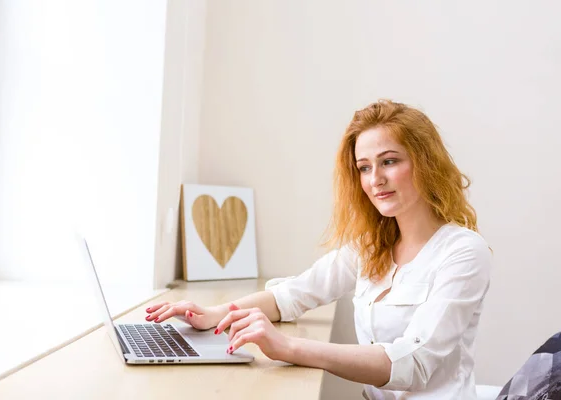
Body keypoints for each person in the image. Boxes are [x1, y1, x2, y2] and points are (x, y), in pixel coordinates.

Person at [145, 99, 493, 399]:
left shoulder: (463, 252)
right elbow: (294, 294)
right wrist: (214, 314)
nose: (375, 180)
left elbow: (413, 363)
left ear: (425, 162)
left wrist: (289, 348)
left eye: (389, 161)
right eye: (364, 167)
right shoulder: (371, 247)